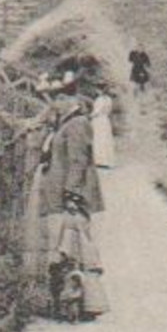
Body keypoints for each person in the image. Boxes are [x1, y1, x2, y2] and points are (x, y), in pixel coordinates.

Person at [35, 97, 108, 320]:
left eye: (58, 98)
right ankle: (64, 302)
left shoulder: (77, 124)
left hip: (68, 197)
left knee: (74, 248)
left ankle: (83, 304)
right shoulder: (65, 123)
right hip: (58, 196)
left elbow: (78, 161)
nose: (53, 104)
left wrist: (72, 194)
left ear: (70, 100)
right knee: (64, 248)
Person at [91, 91, 116, 168]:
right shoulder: (109, 99)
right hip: (105, 120)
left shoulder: (99, 100)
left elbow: (96, 112)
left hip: (98, 121)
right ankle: (107, 160)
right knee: (106, 139)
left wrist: (89, 116)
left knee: (99, 139)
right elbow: (109, 110)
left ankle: (101, 161)